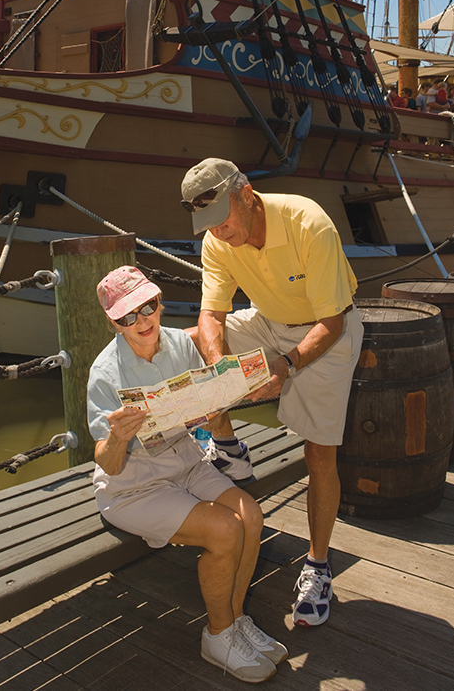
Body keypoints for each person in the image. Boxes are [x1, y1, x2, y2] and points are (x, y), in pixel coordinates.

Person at [180, 159, 364, 628]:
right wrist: (221, 365)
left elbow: (333, 321)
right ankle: (226, 445)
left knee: (320, 454)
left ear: (248, 197)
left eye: (223, 221)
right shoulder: (217, 240)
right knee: (186, 342)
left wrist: (286, 366)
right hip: (268, 322)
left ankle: (319, 567)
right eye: (209, 226)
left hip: (327, 331)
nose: (218, 233)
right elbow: (212, 316)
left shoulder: (308, 223)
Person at [87, 265, 286, 683]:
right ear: (113, 321)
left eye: (149, 307)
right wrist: (118, 437)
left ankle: (234, 620)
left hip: (185, 460)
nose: (143, 321)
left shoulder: (180, 342)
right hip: (132, 487)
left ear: (159, 302)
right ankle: (217, 636)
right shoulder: (104, 373)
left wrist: (216, 410)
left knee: (250, 515)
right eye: (128, 316)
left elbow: (201, 416)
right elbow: (107, 462)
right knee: (225, 530)